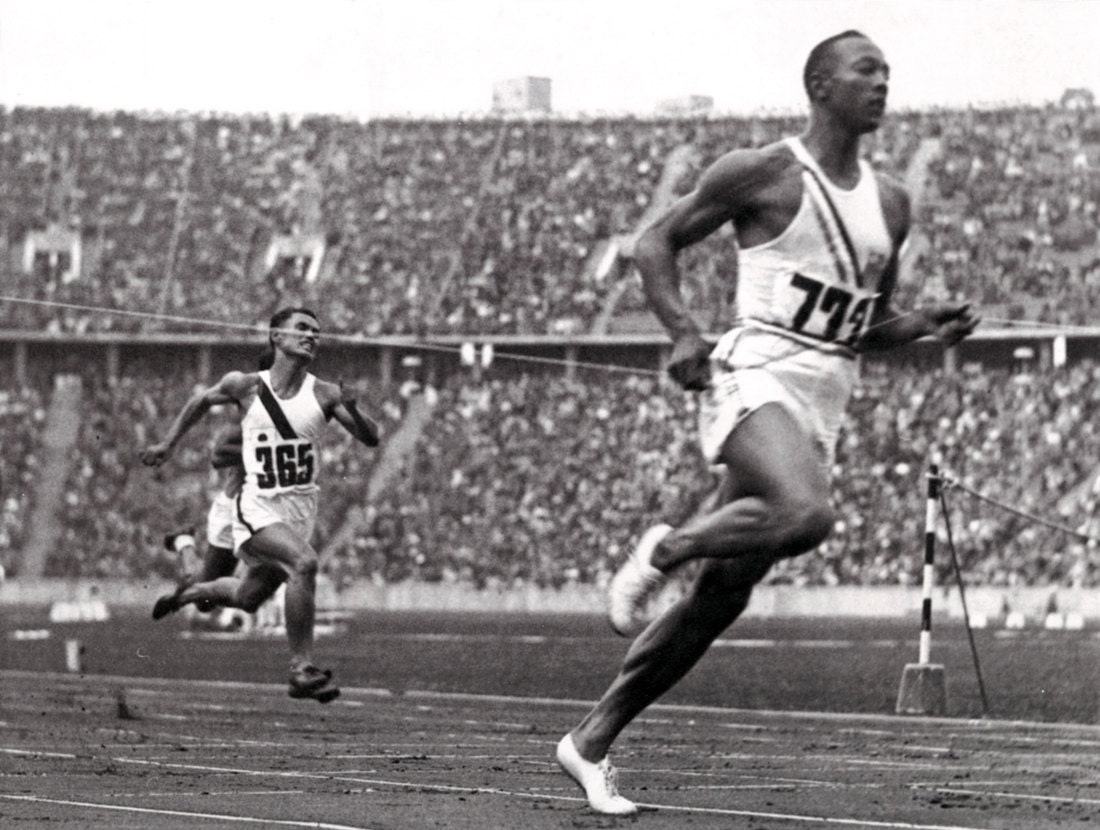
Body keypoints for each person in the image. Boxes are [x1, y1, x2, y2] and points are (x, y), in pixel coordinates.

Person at [555, 30, 979, 814]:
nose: (883, 82)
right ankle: (666, 547)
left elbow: (858, 329)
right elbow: (655, 242)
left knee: (720, 600)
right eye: (866, 70)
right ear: (820, 84)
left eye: (887, 71)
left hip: (823, 401)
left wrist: (922, 325)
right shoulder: (766, 171)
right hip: (752, 374)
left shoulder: (892, 204)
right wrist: (682, 329)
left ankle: (588, 743)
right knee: (803, 513)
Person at [141, 307, 381, 703]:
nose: (311, 337)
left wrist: (353, 407)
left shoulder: (325, 393)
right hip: (257, 509)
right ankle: (301, 668)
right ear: (276, 336)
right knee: (304, 564)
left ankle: (187, 594)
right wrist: (168, 444)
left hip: (299, 513)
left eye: (316, 332)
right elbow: (200, 401)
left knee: (247, 599)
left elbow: (371, 438)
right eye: (302, 329)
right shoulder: (246, 385)